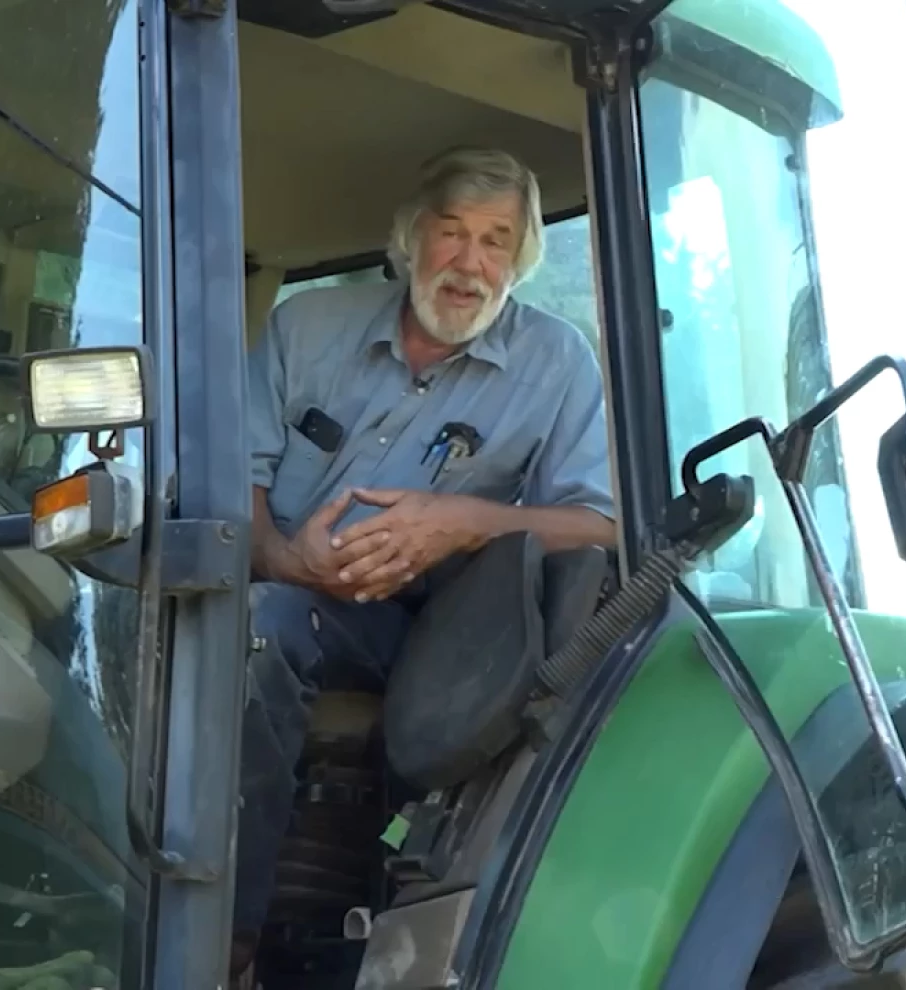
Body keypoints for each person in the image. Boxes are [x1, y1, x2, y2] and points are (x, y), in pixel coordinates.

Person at [230, 146, 617, 986]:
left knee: (273, 632)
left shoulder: (557, 364)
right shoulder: (306, 327)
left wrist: (466, 524)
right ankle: (201, 924)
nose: (470, 263)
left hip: (424, 630)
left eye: (496, 240)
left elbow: (600, 524)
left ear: (520, 259)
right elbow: (232, 483)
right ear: (412, 239)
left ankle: (245, 943)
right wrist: (284, 556)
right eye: (452, 232)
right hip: (282, 592)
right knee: (252, 621)